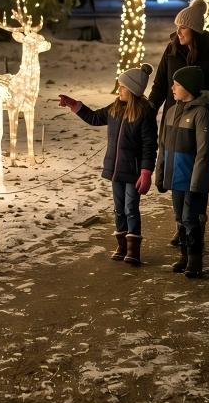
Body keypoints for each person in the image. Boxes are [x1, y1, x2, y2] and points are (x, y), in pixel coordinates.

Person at [58, 64, 158, 265]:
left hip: (133, 171)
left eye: (121, 87)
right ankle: (121, 245)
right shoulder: (114, 108)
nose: (118, 90)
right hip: (115, 170)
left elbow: (149, 144)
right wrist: (75, 105)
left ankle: (133, 249)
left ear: (132, 90)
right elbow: (94, 118)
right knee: (119, 208)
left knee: (131, 207)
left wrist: (146, 172)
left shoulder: (144, 113)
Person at [148, 0, 209, 244]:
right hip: (174, 123)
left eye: (182, 28)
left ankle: (196, 224)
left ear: (193, 29)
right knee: (176, 173)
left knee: (197, 174)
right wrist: (148, 111)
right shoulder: (172, 49)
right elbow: (161, 84)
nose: (178, 32)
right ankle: (181, 225)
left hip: (201, 125)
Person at [153, 66, 209, 279]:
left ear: (188, 87)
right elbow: (163, 147)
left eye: (176, 85)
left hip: (191, 179)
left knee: (191, 218)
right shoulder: (171, 112)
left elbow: (204, 152)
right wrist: (160, 174)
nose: (172, 88)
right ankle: (184, 255)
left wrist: (197, 182)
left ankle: (196, 259)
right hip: (174, 177)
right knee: (179, 217)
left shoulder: (201, 114)